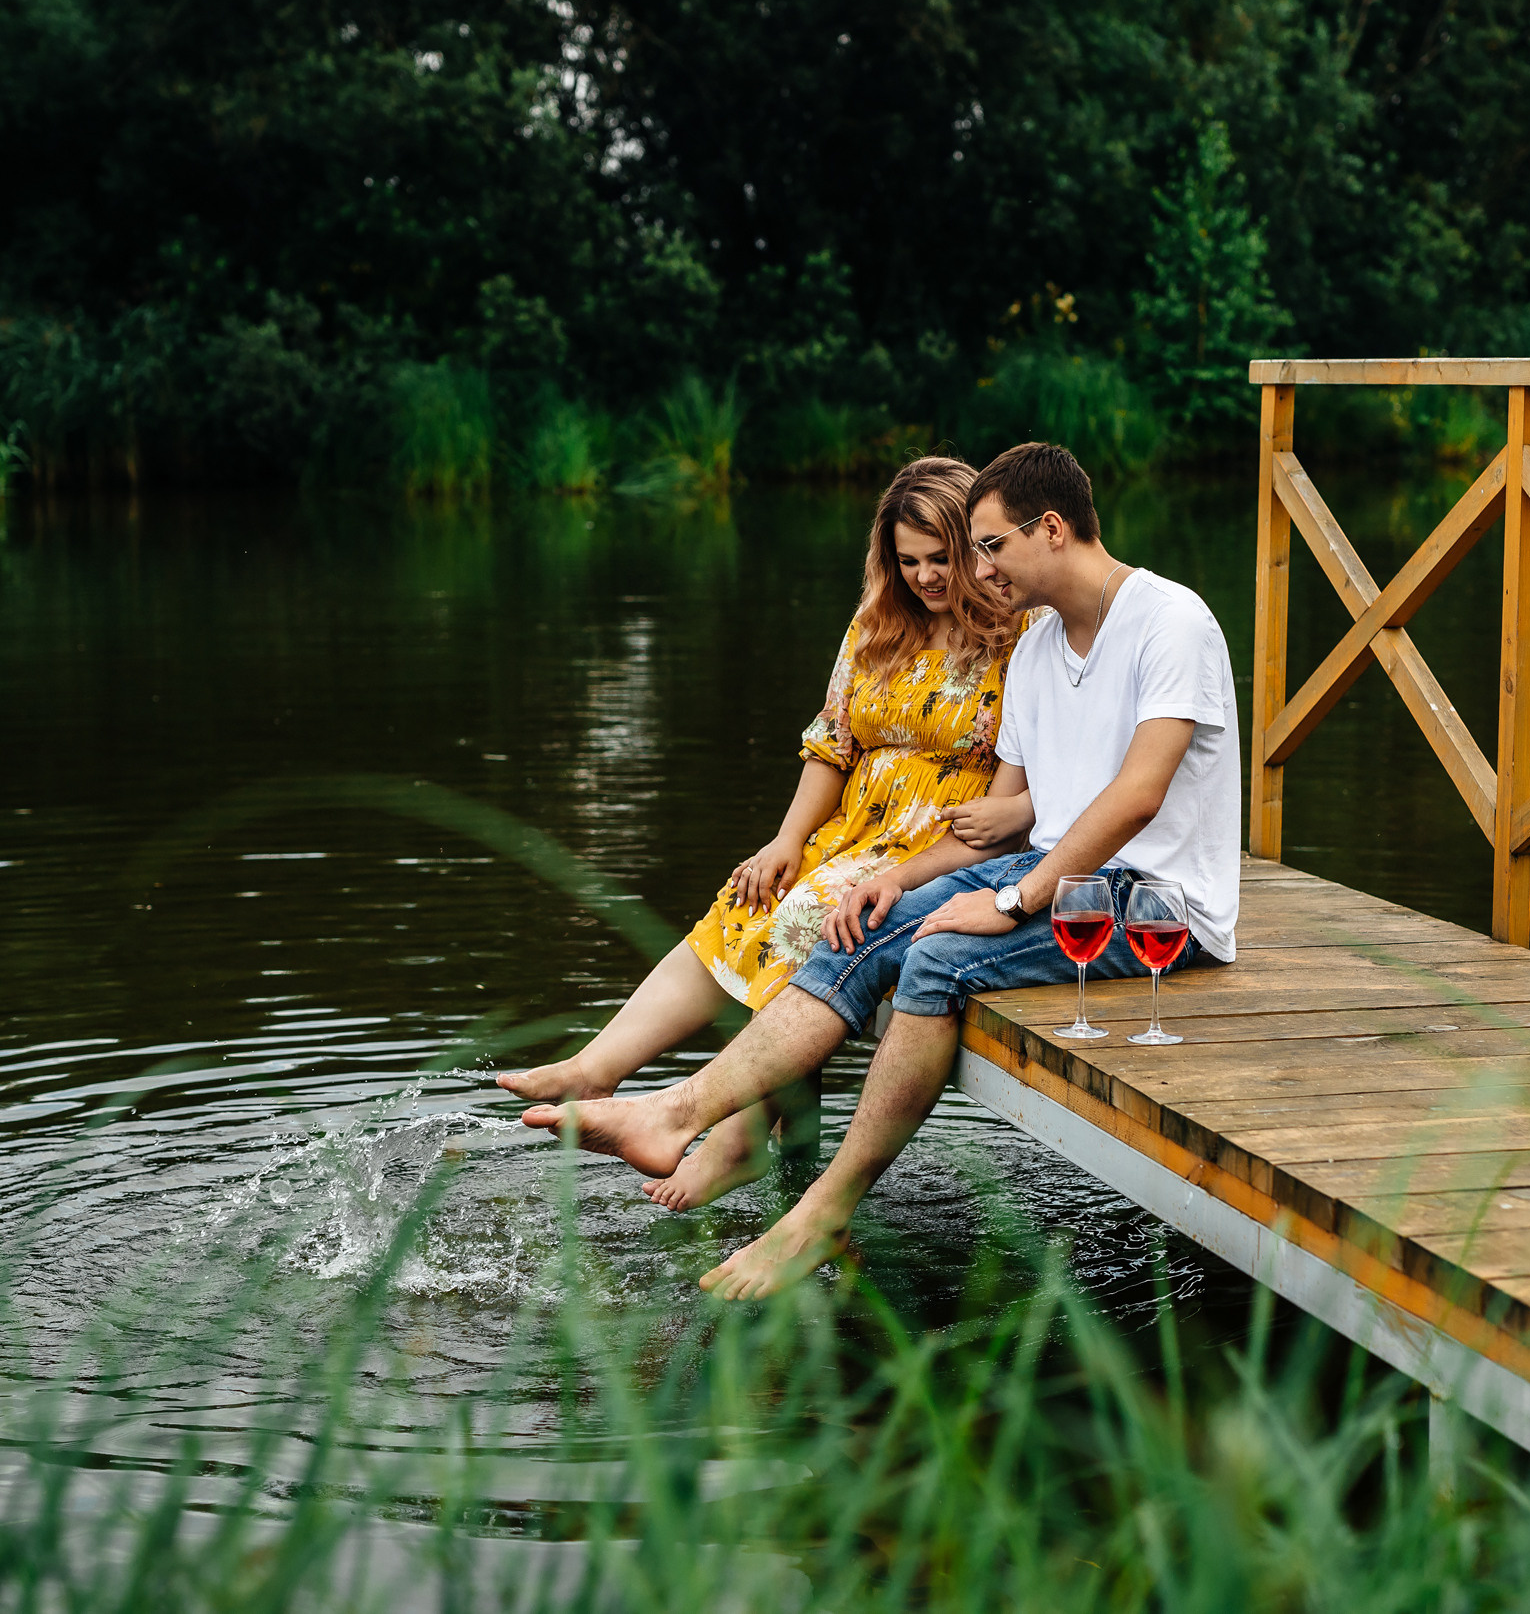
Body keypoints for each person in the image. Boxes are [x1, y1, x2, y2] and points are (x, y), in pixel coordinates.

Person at [523, 442, 1242, 1296]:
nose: (978, 567)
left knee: (936, 959)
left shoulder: (1170, 621)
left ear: (1051, 529)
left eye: (989, 545)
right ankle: (675, 1112)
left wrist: (1013, 900)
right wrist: (902, 879)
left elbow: (1137, 795)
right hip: (1052, 872)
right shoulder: (1040, 648)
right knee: (863, 927)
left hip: (1155, 904)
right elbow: (1010, 812)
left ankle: (824, 1211)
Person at [497, 457, 1034, 1209]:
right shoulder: (879, 623)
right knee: (752, 893)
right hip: (855, 829)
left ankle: (740, 1137)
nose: (924, 577)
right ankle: (598, 1068)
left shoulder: (1020, 632)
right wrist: (785, 842)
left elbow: (1036, 777)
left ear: (975, 546)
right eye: (908, 561)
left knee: (812, 914)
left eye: (940, 557)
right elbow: (831, 747)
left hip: (943, 843)